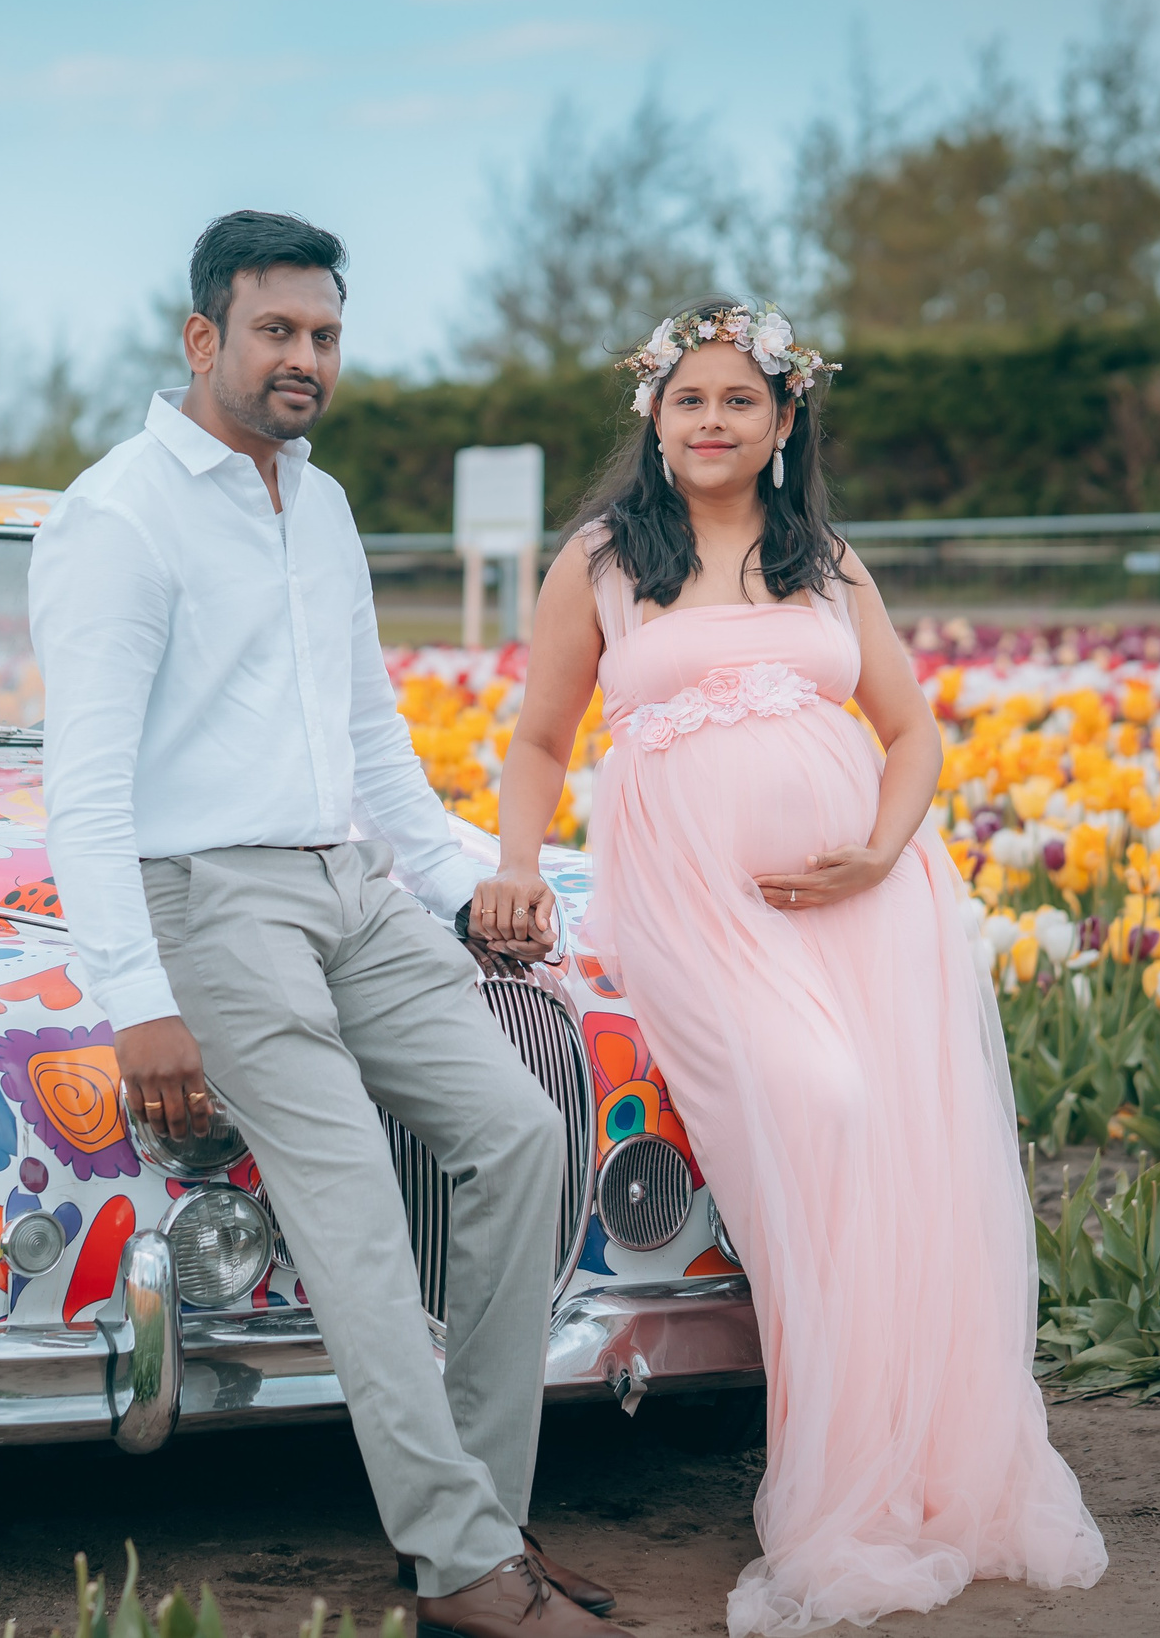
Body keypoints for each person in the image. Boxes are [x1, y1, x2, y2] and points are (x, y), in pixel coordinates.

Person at [472, 299, 1109, 1635]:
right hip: (691, 901)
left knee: (909, 1151)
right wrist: (516, 861)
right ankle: (839, 1474)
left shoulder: (823, 557)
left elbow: (913, 728)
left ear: (782, 422)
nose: (711, 420)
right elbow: (539, 738)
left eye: (739, 400)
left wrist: (881, 848)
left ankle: (922, 1461)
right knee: (822, 1100)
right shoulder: (601, 558)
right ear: (654, 412)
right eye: (689, 397)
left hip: (867, 902)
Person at [31, 211, 623, 1638]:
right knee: (353, 1204)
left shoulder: (327, 499)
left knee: (518, 1131)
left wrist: (464, 874)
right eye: (278, 331)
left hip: (348, 882)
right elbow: (84, 789)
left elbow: (372, 743)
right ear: (203, 339)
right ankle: (470, 1564)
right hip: (211, 901)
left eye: (326, 334)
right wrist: (136, 996)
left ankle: (471, 1534)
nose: (306, 358)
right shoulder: (118, 515)